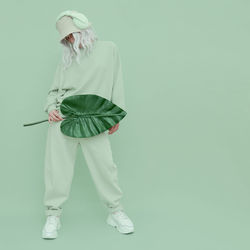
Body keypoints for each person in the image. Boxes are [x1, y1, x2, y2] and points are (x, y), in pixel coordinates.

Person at [42, 10, 134, 239]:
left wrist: (115, 115)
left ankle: (115, 212)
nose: (71, 41)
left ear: (84, 29)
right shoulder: (67, 59)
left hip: (94, 119)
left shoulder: (109, 49)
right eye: (67, 38)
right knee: (57, 170)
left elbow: (117, 83)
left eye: (73, 35)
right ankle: (53, 215)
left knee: (105, 167)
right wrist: (51, 108)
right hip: (63, 119)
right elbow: (54, 91)